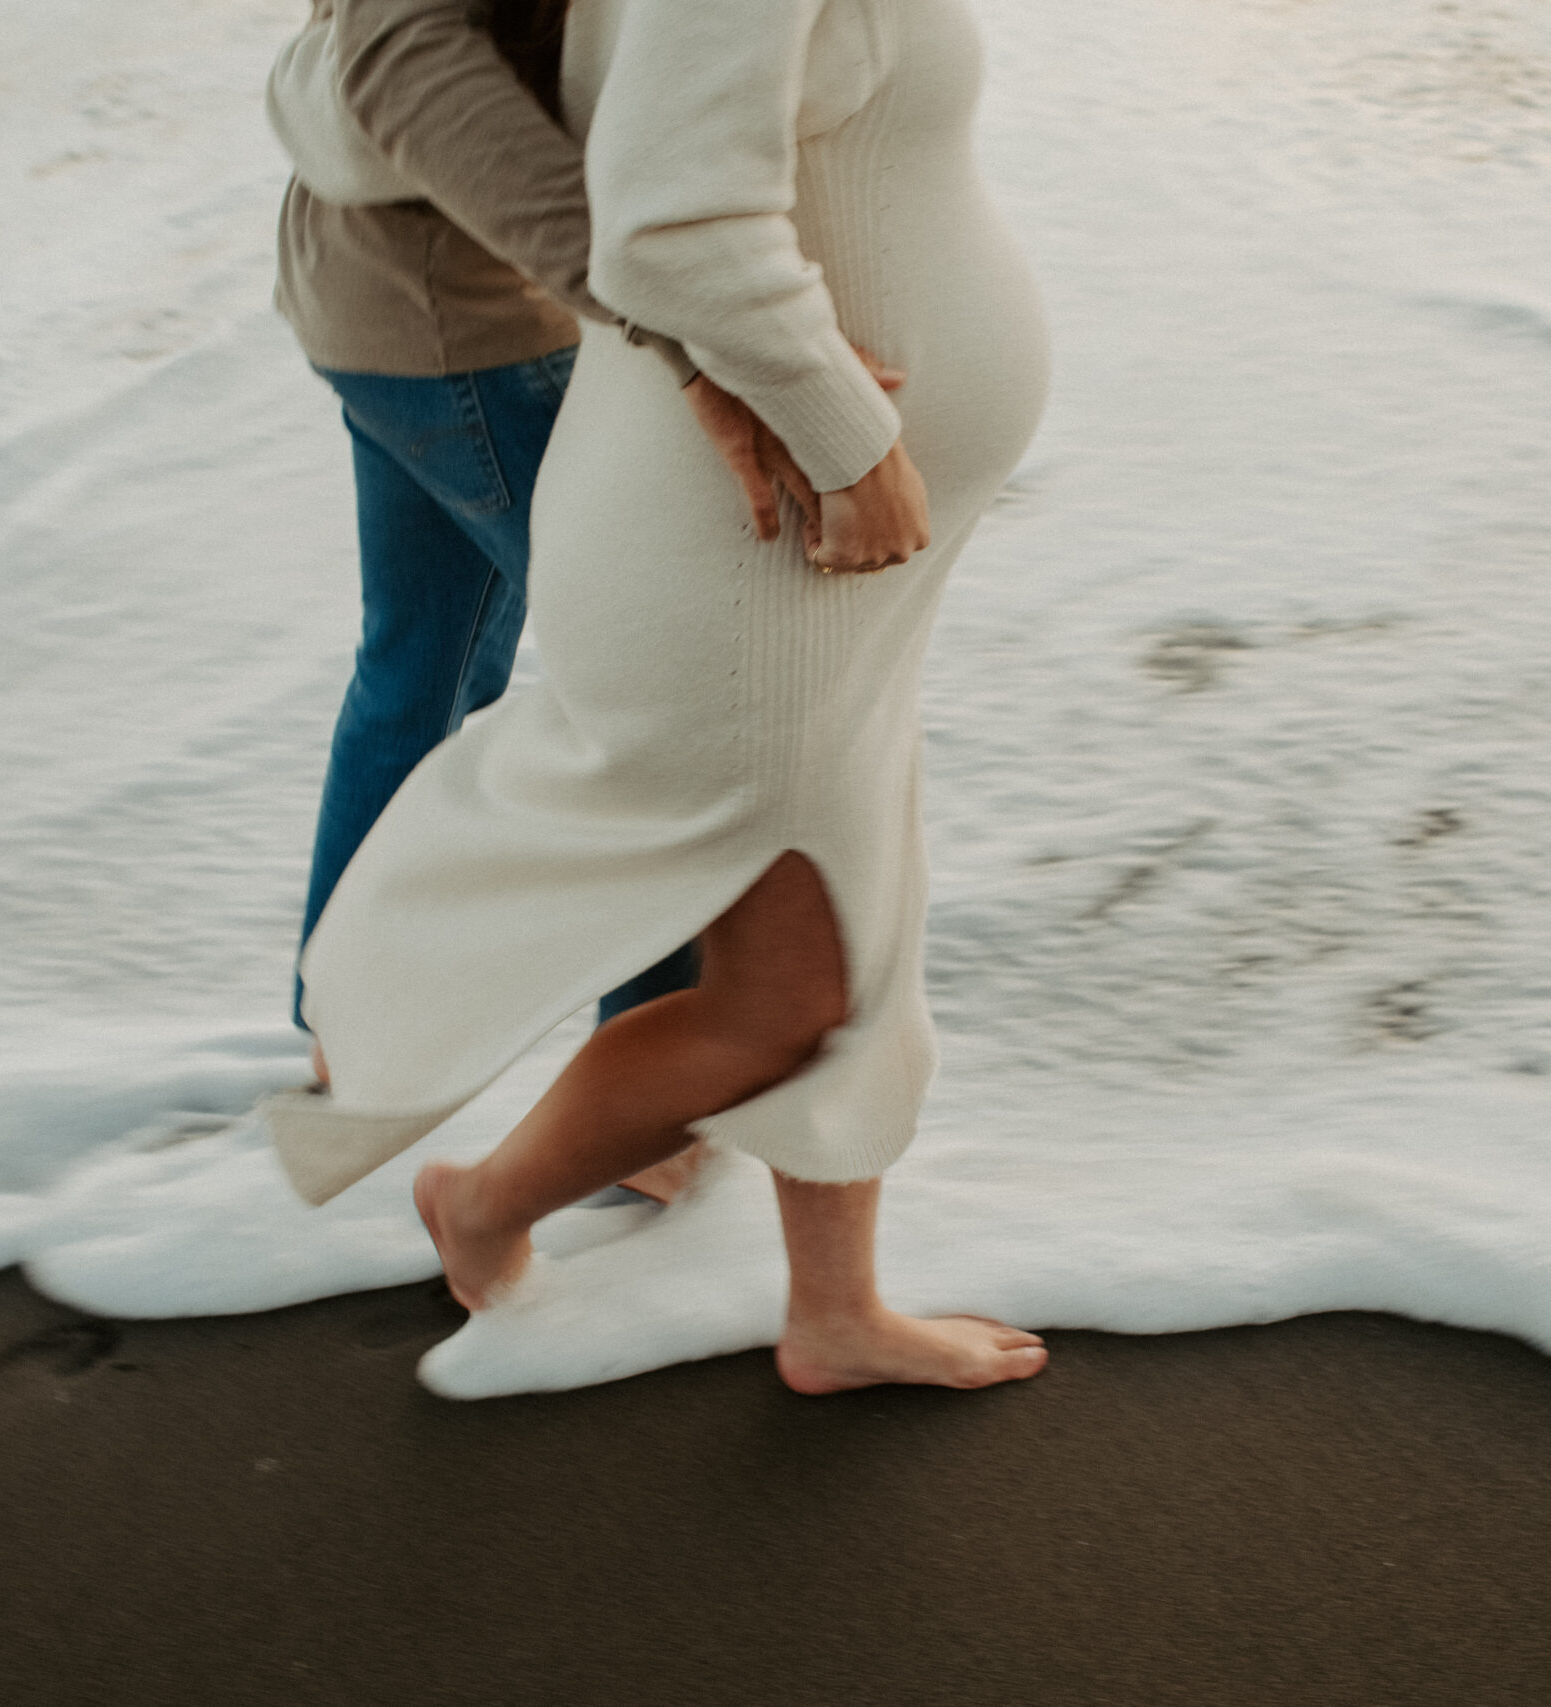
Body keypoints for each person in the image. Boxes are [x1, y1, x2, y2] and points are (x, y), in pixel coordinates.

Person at [280, 0, 1051, 1393]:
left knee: (842, 880)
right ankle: (488, 1151)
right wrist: (802, 403)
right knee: (742, 910)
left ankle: (825, 1300)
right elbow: (634, 199)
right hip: (559, 375)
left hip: (568, 352)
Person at [269, 0, 844, 1202]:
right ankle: (644, 1115)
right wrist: (688, 321)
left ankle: (352, 1028)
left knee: (421, 662)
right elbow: (403, 53)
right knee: (656, 701)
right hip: (471, 323)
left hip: (380, 298)